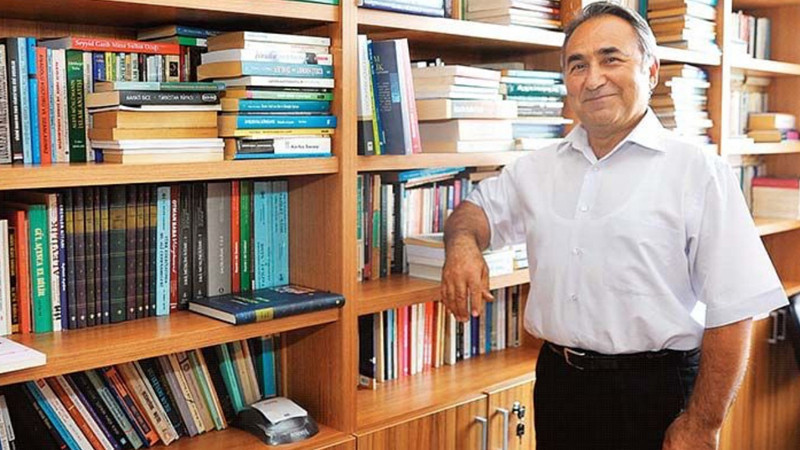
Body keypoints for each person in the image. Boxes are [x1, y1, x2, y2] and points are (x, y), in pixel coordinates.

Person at [440, 2, 788, 449]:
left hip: (656, 392)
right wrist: (463, 246)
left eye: (611, 59)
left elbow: (734, 309)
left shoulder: (699, 172)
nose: (593, 79)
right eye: (577, 65)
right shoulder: (535, 169)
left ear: (651, 70)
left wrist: (703, 423)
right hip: (560, 385)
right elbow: (473, 212)